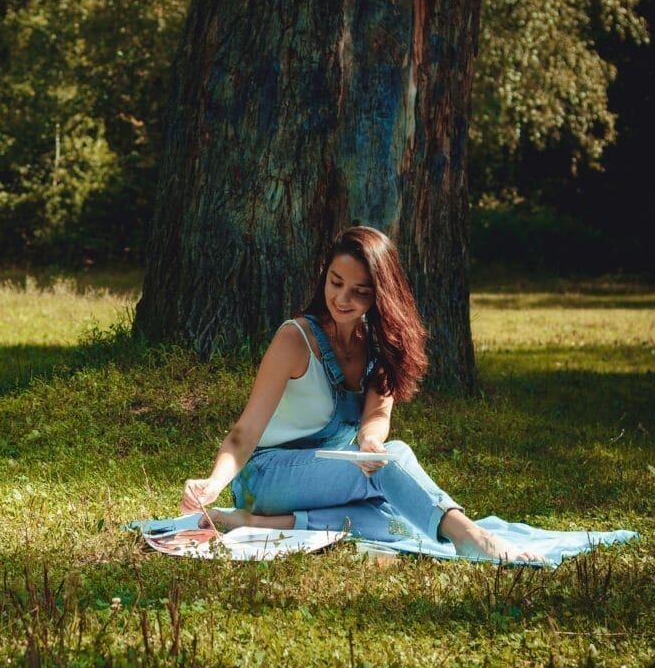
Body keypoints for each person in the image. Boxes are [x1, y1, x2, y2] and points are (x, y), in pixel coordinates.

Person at [179, 226, 541, 562]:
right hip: (268, 477)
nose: (342, 298)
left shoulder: (382, 342)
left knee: (398, 519)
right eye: (335, 283)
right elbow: (245, 433)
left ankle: (255, 524)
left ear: (379, 294)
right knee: (396, 462)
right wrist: (213, 482)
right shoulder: (294, 339)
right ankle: (472, 538)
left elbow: (376, 416)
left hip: (336, 472)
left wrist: (369, 442)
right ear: (325, 275)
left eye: (359, 291)